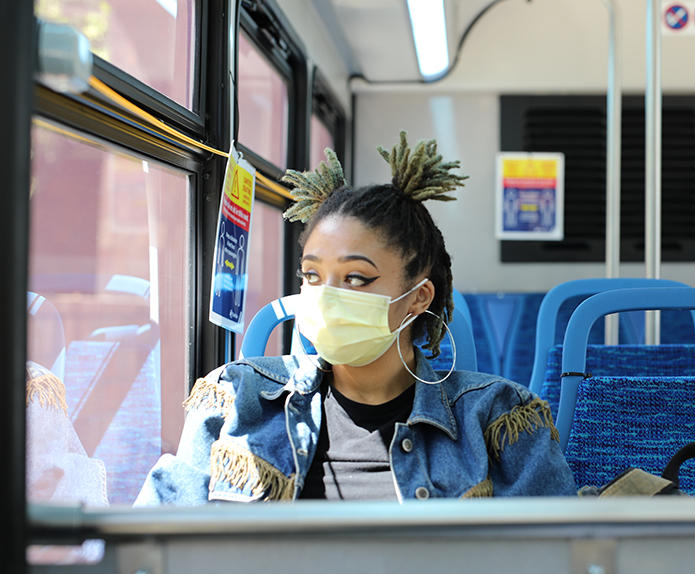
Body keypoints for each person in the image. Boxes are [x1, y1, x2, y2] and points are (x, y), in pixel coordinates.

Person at [135, 132, 578, 504]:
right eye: (312, 275)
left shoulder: (496, 417)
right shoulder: (238, 399)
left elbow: (556, 560)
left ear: (417, 298)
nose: (327, 296)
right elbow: (156, 542)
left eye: (356, 278)